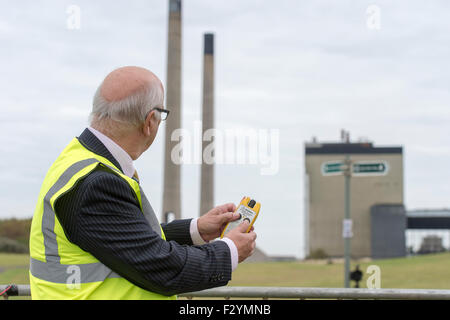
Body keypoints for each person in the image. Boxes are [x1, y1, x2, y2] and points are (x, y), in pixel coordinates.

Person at [29, 66, 257, 300]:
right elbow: (163, 269)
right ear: (149, 121)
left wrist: (196, 229)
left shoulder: (80, 161)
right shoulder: (97, 183)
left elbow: (128, 241)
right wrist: (229, 251)